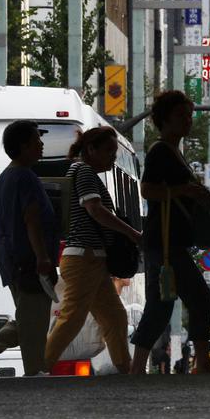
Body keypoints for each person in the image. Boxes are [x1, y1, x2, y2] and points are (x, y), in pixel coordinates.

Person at [130, 91, 210, 374]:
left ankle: (137, 367)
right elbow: (147, 189)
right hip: (165, 242)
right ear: (164, 119)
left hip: (166, 241)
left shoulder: (174, 151)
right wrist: (184, 190)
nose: (187, 120)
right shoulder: (161, 151)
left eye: (189, 115)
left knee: (160, 305)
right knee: (200, 299)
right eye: (181, 115)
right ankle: (202, 362)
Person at [44, 127, 142, 374]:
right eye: (109, 151)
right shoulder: (84, 171)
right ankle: (40, 367)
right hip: (84, 258)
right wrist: (132, 233)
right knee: (72, 318)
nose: (113, 157)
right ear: (91, 149)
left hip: (93, 260)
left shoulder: (81, 171)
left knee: (114, 316)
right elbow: (95, 209)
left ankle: (125, 369)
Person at [0, 121, 60, 378]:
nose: (41, 145)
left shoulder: (2, 180)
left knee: (28, 316)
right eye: (36, 140)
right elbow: (31, 219)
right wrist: (42, 257)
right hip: (30, 260)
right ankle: (35, 372)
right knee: (34, 322)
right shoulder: (25, 177)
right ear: (23, 146)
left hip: (13, 262)